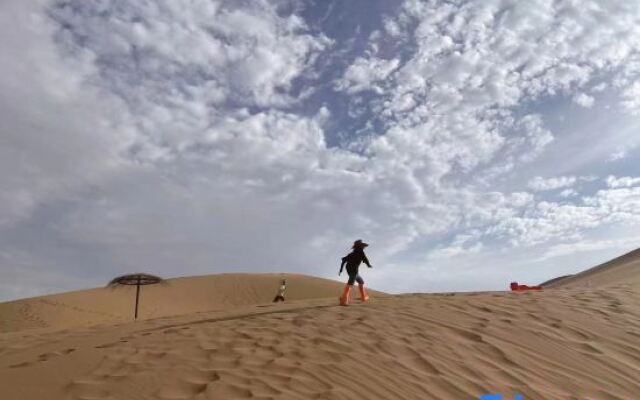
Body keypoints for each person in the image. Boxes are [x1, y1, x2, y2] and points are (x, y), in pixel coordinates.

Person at [339, 239, 372, 306]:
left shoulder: (351, 254)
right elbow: (365, 259)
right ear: (359, 247)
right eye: (362, 246)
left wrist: (341, 269)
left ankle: (363, 297)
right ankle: (343, 301)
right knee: (350, 284)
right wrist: (368, 265)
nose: (363, 247)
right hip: (353, 271)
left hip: (351, 271)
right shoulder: (361, 252)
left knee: (361, 282)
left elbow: (343, 260)